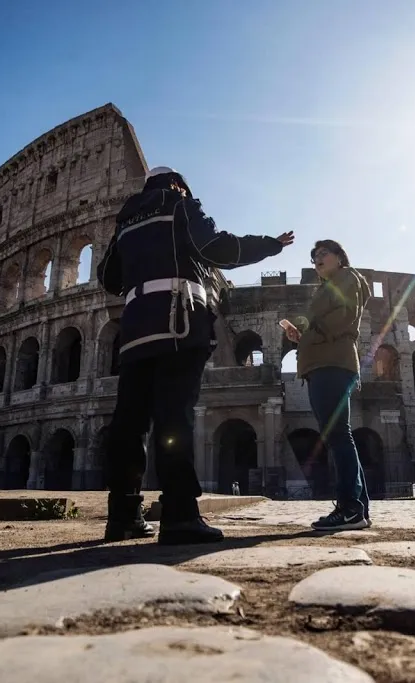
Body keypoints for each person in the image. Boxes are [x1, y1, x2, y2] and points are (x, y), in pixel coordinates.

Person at [97, 166, 294, 545]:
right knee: (175, 418)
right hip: (178, 321)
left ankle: (122, 515)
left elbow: (109, 276)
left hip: (135, 328)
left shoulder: (125, 221)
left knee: (129, 422)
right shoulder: (180, 205)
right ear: (177, 184)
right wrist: (269, 244)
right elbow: (217, 247)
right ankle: (180, 515)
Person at [282, 239, 373, 531]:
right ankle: (358, 509)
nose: (317, 260)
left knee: (338, 436)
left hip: (332, 364)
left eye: (323, 254)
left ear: (339, 257)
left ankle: (349, 507)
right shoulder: (327, 287)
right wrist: (303, 335)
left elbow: (345, 317)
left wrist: (310, 333)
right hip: (324, 363)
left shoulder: (346, 278)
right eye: (314, 257)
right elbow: (324, 323)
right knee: (339, 435)